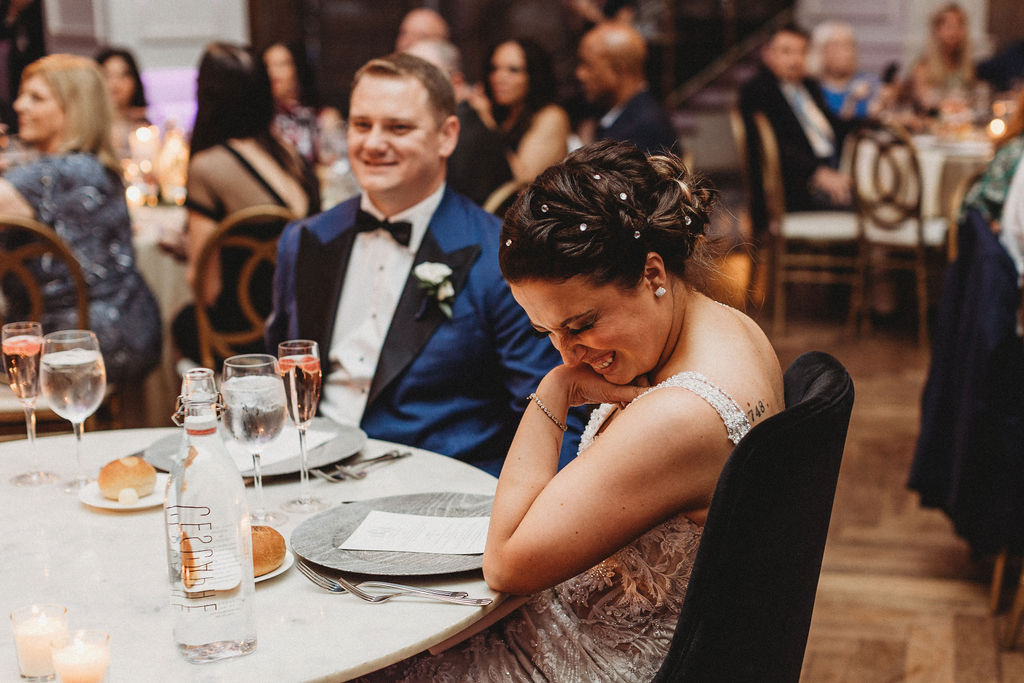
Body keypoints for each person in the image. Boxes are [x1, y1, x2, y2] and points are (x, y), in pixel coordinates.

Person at [357, 139, 784, 682]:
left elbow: (507, 563)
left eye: (580, 324)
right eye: (546, 332)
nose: (566, 352)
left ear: (653, 273)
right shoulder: (728, 327)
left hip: (606, 659)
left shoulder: (681, 414)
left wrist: (553, 393)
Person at [266, 53, 580, 475]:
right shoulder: (303, 241)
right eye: (362, 125)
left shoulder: (501, 257)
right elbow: (281, 375)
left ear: (447, 136)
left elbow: (555, 413)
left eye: (398, 127)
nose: (374, 144)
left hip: (440, 492)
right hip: (312, 479)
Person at [0, 54, 160, 383]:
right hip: (129, 325)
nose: (19, 105)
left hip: (74, 340)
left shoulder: (54, 175)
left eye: (36, 97)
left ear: (74, 109)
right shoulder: (93, 165)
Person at [171, 42, 320, 367]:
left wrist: (190, 255)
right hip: (308, 321)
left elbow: (207, 288)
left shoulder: (208, 166)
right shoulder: (288, 153)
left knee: (182, 321)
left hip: (250, 334)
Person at [739, 22, 852, 230]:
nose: (795, 60)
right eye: (786, 52)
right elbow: (772, 146)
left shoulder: (808, 86)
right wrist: (816, 173)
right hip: (793, 189)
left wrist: (874, 119)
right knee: (871, 205)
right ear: (768, 54)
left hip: (830, 170)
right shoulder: (758, 90)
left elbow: (835, 127)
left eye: (801, 52)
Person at [403, 38, 512, 206]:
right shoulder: (455, 119)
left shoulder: (462, 131)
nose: (409, 89)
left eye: (423, 78)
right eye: (405, 78)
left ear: (455, 82)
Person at [468, 38, 570, 184]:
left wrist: (486, 120)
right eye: (494, 69)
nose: (499, 78)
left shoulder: (551, 116)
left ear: (533, 76)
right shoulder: (502, 113)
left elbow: (523, 181)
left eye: (513, 70)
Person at [575, 21, 677, 155]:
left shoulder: (642, 129)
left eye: (588, 65)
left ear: (619, 69)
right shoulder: (629, 117)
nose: (579, 74)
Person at [261, 41, 343, 166]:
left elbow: (335, 164)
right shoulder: (260, 118)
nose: (272, 72)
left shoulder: (322, 115)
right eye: (267, 65)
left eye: (282, 64)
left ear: (298, 68)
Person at [808, 21, 888, 121]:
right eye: (836, 46)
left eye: (849, 45)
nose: (846, 53)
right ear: (821, 51)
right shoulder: (811, 88)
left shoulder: (870, 83)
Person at [907, 3, 974, 115]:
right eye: (949, 26)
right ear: (937, 30)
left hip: (960, 125)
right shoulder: (922, 67)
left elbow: (973, 98)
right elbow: (925, 102)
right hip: (930, 124)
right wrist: (952, 105)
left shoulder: (965, 66)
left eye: (959, 26)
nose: (955, 32)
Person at [94, 47, 149, 160]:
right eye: (107, 75)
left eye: (123, 75)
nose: (116, 83)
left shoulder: (145, 127)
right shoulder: (91, 128)